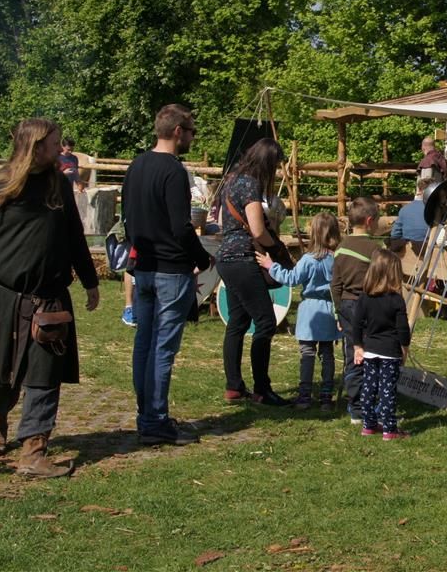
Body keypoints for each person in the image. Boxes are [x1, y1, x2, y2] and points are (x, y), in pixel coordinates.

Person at [0, 119, 100, 478]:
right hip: (3, 296)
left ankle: (34, 450)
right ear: (36, 146)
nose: (61, 148)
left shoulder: (58, 185)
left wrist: (90, 281)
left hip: (50, 299)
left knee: (44, 376)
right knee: (0, 371)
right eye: (55, 143)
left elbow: (74, 235)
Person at [122, 104, 213, 445]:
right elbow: (180, 226)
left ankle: (146, 415)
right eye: (191, 132)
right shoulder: (174, 171)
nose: (192, 138)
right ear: (178, 131)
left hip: (143, 268)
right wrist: (201, 258)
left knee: (144, 344)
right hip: (170, 271)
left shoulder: (136, 165)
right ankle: (155, 420)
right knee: (161, 348)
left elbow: (128, 218)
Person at [215, 137, 294, 407]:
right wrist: (277, 248)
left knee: (238, 322)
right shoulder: (250, 183)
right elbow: (258, 230)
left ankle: (234, 386)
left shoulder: (231, 180)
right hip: (242, 258)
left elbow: (223, 221)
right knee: (266, 322)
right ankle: (262, 389)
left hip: (226, 257)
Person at [258, 211, 341, 411]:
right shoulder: (336, 260)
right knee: (327, 354)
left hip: (310, 311)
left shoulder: (308, 260)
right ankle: (326, 397)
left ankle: (305, 396)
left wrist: (271, 266)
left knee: (307, 353)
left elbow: (291, 278)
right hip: (329, 309)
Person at [330, 196, 381, 424]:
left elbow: (335, 285)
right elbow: (382, 281)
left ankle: (356, 407)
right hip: (370, 306)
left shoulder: (340, 248)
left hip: (347, 307)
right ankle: (373, 402)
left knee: (353, 355)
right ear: (369, 221)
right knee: (373, 354)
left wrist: (337, 312)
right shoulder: (376, 248)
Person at [351, 248, 411, 440]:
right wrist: (405, 349)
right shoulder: (396, 300)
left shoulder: (364, 298)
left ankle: (368, 425)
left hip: (370, 351)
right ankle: (389, 429)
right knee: (387, 391)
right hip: (390, 352)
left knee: (368, 388)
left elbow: (356, 324)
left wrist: (358, 346)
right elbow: (403, 329)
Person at [388, 176, 433, 255]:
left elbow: (395, 235)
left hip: (407, 253)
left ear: (419, 190)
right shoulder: (436, 210)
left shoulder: (404, 209)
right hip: (431, 252)